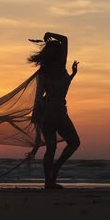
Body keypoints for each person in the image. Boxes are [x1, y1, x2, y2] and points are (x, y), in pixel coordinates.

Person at [29, 32, 80, 189]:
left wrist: (72, 75)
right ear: (58, 54)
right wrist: (49, 34)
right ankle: (56, 169)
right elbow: (65, 39)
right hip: (58, 113)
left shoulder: (43, 73)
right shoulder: (61, 66)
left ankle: (48, 182)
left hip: (46, 114)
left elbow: (40, 97)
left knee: (51, 148)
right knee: (74, 142)